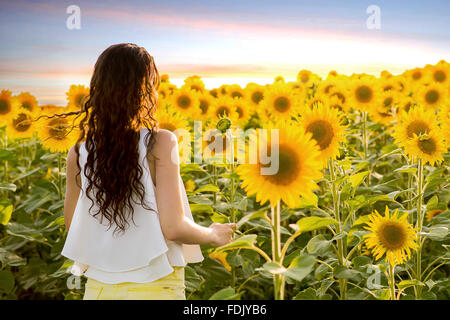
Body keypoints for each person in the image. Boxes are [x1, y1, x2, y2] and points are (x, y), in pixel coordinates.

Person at [61, 43, 236, 300]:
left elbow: (72, 227)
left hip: (98, 290)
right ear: (144, 90)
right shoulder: (160, 143)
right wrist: (212, 234)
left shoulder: (78, 153)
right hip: (157, 287)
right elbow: (173, 227)